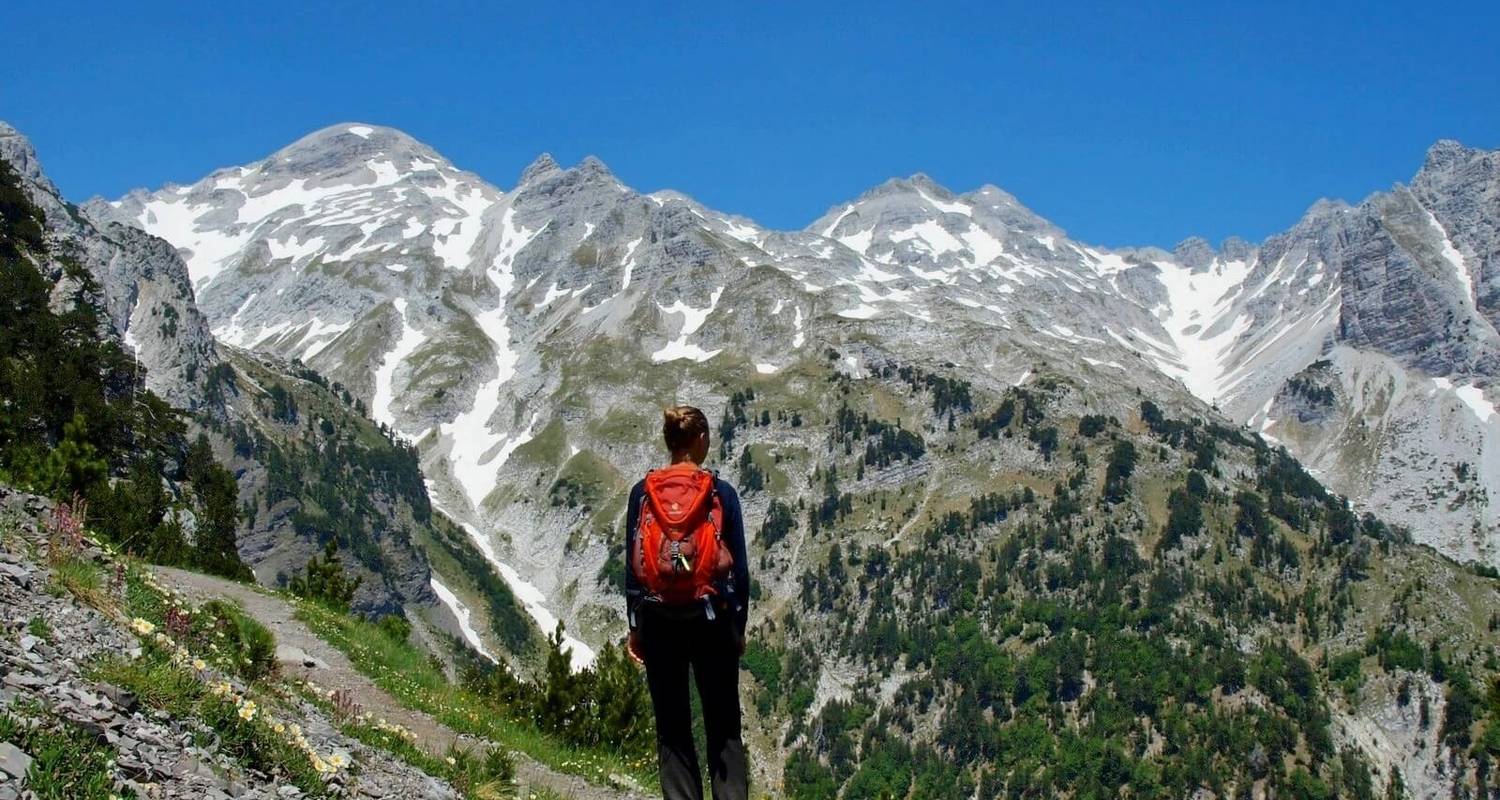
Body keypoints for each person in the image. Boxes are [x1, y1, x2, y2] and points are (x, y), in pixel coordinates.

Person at [624, 405, 751, 800]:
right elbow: (740, 572)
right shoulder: (720, 492)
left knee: (674, 730)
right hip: (711, 620)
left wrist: (635, 628)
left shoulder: (642, 493)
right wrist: (738, 628)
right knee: (724, 726)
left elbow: (633, 568)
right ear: (699, 440)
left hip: (660, 620)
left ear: (669, 442)